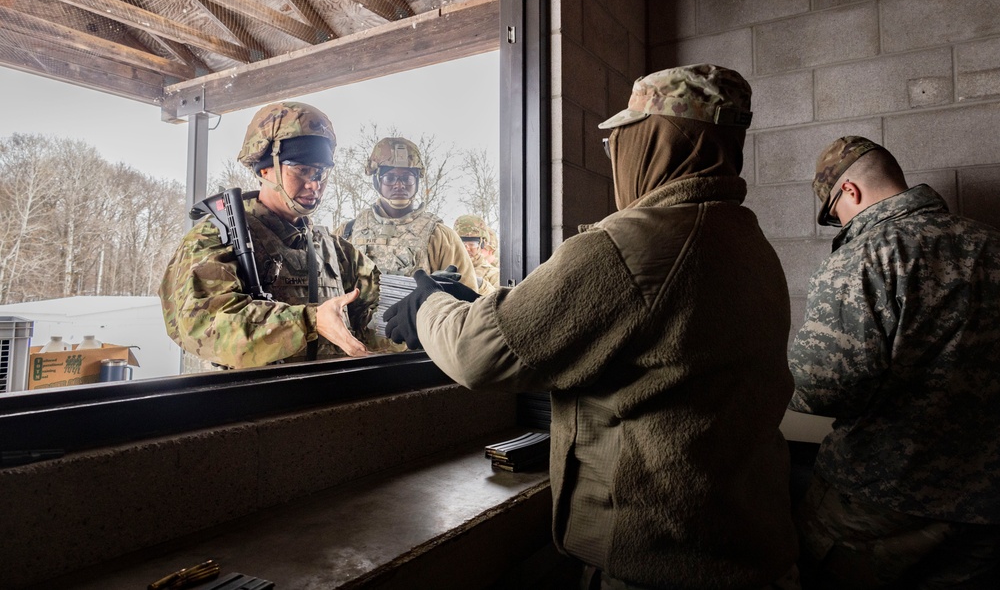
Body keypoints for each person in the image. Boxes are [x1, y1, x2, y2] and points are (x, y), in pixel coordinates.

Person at [383, 64, 799, 589]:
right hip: (748, 550)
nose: (614, 158)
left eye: (619, 141)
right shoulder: (744, 240)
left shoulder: (634, 243)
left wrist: (427, 307)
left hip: (664, 566)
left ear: (655, 142)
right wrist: (478, 304)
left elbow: (476, 353)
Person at [788, 136, 1000, 588]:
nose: (838, 225)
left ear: (850, 192)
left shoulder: (861, 256)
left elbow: (825, 389)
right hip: (986, 507)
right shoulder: (992, 244)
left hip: (879, 502)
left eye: (833, 214)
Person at [160, 101, 379, 369]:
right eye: (301, 169)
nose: (314, 184)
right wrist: (309, 321)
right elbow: (203, 326)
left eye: (321, 172)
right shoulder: (216, 237)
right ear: (265, 169)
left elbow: (375, 314)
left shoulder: (333, 249)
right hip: (253, 404)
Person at [337, 137, 477, 289]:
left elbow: (467, 300)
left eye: (407, 178)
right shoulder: (347, 233)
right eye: (390, 178)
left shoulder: (440, 237)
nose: (399, 185)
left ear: (416, 181)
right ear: (377, 181)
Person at [453, 214, 500, 294]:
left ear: (482, 244)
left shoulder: (494, 275)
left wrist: (480, 285)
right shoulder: (447, 269)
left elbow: (499, 303)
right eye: (462, 244)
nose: (467, 248)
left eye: (472, 244)